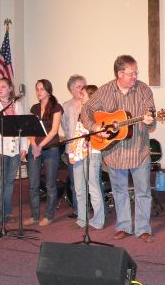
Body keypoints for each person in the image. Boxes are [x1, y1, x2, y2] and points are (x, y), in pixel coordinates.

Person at [81, 55, 156, 242]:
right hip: (114, 152)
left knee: (143, 191)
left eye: (136, 72)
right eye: (131, 73)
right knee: (119, 191)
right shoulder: (105, 90)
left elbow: (151, 113)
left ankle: (143, 228)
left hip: (138, 150)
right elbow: (86, 110)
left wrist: (150, 119)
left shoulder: (143, 90)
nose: (135, 77)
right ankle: (123, 226)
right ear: (120, 73)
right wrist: (96, 128)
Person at [0, 78, 27, 227]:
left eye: (3, 87)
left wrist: (24, 147)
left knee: (9, 183)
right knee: (0, 182)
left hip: (14, 150)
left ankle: (7, 212)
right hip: (0, 151)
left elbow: (23, 127)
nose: (0, 89)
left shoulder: (18, 105)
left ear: (10, 89)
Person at [24, 79, 63, 227]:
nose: (39, 92)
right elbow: (30, 129)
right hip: (34, 147)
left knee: (50, 184)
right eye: (37, 89)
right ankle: (34, 216)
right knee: (33, 184)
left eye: (41, 89)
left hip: (50, 148)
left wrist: (40, 146)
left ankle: (49, 215)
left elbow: (54, 131)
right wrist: (34, 144)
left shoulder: (56, 107)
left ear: (48, 90)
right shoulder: (34, 108)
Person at [69, 85, 106, 230]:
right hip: (79, 154)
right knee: (79, 188)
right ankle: (82, 218)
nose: (81, 97)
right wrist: (73, 152)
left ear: (91, 96)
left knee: (93, 187)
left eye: (83, 94)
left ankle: (98, 220)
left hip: (92, 153)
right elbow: (78, 134)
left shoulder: (99, 114)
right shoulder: (81, 112)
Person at [61, 74, 87, 219]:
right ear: (71, 89)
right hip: (72, 150)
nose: (81, 89)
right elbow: (65, 127)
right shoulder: (66, 106)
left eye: (83, 86)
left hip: (88, 150)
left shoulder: (90, 103)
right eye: (78, 86)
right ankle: (78, 211)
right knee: (75, 183)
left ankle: (93, 210)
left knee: (91, 182)